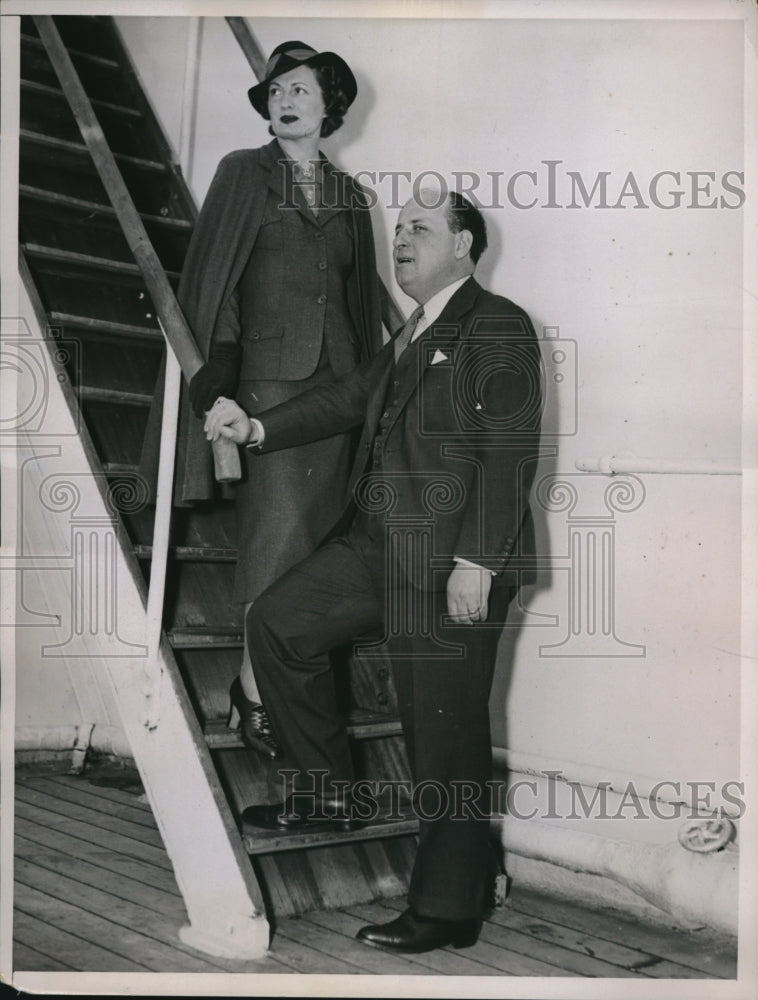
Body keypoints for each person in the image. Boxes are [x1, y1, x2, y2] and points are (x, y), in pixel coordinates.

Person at [204, 192, 542, 954]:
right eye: (395, 231)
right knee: (278, 622)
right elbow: (348, 400)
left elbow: (509, 449)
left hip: (453, 560)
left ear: (463, 244)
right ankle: (325, 796)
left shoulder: (498, 324)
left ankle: (450, 909)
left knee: (443, 742)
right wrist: (258, 427)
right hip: (378, 546)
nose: (399, 241)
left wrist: (477, 562)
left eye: (418, 230)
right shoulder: (415, 333)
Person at [162, 41, 382, 758]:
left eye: (300, 90)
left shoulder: (352, 197)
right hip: (268, 393)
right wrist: (216, 388)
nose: (285, 100)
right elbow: (215, 286)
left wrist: (373, 392)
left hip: (337, 397)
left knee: (316, 554)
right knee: (277, 549)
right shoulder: (240, 173)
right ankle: (257, 691)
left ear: (329, 107)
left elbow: (356, 301)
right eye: (276, 89)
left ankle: (264, 690)